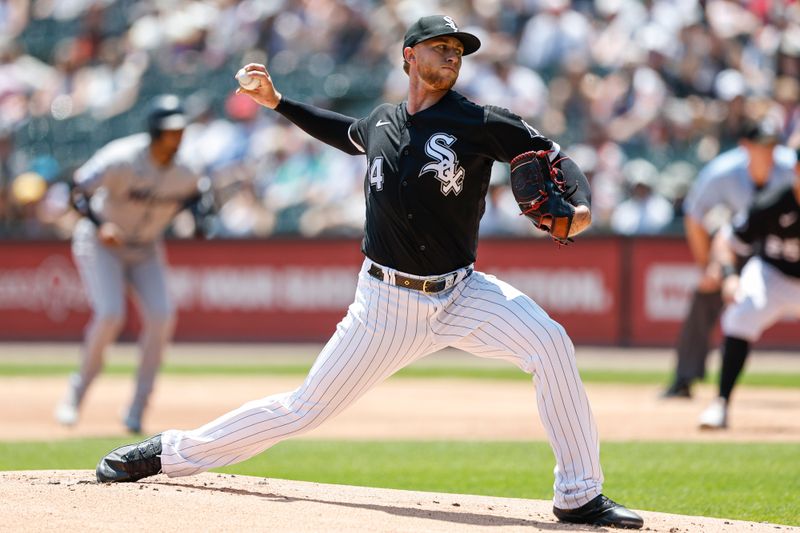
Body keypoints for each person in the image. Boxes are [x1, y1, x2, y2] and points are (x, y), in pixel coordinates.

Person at [95, 16, 643, 529]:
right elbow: (344, 132)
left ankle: (578, 495)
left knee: (551, 344)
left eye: (458, 52)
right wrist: (279, 102)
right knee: (302, 410)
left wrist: (583, 208)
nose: (452, 57)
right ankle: (169, 452)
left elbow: (552, 156)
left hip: (463, 293)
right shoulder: (382, 122)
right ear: (410, 56)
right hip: (385, 305)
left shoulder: (478, 122)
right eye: (441, 48)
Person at [55, 94, 210, 433]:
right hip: (102, 244)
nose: (178, 136)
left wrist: (198, 220)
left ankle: (137, 409)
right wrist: (100, 225)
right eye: (171, 130)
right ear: (155, 131)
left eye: (181, 130)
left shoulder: (187, 167)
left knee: (162, 316)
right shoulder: (121, 156)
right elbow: (76, 189)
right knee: (110, 315)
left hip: (145, 248)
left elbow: (198, 196)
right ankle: (75, 393)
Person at [661, 117, 796, 398]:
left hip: (777, 247)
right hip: (737, 244)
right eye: (761, 146)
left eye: (772, 146)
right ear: (745, 146)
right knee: (706, 291)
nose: (767, 152)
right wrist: (708, 266)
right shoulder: (722, 171)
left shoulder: (791, 165)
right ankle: (684, 377)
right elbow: (694, 217)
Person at [698, 154, 800, 429]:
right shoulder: (772, 203)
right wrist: (730, 277)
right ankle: (720, 404)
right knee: (740, 315)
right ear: (797, 170)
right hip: (773, 276)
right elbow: (725, 240)